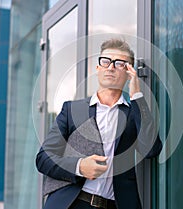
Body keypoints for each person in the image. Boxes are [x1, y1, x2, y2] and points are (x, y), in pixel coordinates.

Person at [36, 38, 162, 209]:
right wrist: (80, 166)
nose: (110, 67)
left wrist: (137, 96)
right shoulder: (72, 110)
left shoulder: (134, 113)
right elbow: (43, 159)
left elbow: (151, 150)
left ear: (129, 72)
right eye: (106, 61)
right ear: (98, 69)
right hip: (72, 202)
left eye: (119, 64)